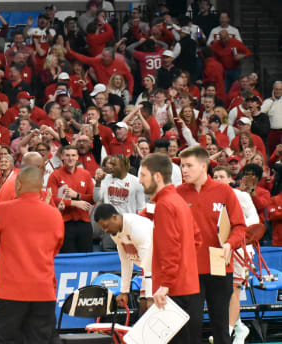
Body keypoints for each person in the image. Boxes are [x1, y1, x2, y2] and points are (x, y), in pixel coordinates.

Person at [0, 166, 64, 343]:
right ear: (40, 187)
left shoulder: (2, 210)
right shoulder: (55, 214)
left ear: (18, 185)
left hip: (10, 292)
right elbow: (55, 250)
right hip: (44, 292)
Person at [176, 146, 246, 344]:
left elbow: (239, 226)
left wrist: (230, 244)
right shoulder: (177, 193)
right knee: (191, 324)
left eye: (189, 166)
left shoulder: (224, 191)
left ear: (203, 166)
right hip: (190, 268)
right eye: (182, 166)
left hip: (219, 265)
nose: (184, 170)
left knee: (221, 325)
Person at [139, 153, 202, 344]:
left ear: (157, 176)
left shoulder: (165, 205)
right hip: (187, 285)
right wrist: (185, 265)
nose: (140, 180)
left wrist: (165, 284)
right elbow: (197, 239)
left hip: (173, 289)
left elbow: (170, 248)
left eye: (143, 175)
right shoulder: (179, 201)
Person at [213, 166, 258, 344]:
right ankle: (239, 328)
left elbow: (254, 220)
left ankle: (228, 331)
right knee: (221, 292)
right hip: (217, 249)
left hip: (239, 247)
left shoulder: (241, 196)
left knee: (234, 289)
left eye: (221, 176)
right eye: (215, 176)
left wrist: (231, 227)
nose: (218, 178)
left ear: (230, 179)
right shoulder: (211, 199)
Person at [94, 203, 154, 314]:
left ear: (114, 217)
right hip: (149, 269)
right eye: (103, 228)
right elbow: (125, 262)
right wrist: (124, 291)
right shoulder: (115, 234)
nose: (105, 230)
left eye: (106, 226)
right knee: (143, 307)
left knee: (153, 308)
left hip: (162, 267)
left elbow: (149, 261)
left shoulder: (136, 227)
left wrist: (150, 296)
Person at [46, 145, 94, 252]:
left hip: (84, 222)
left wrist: (77, 195)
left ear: (78, 157)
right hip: (64, 222)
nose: (70, 158)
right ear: (62, 156)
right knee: (68, 258)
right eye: (67, 155)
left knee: (86, 258)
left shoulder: (85, 174)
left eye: (73, 155)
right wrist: (73, 203)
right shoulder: (55, 175)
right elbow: (51, 198)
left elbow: (92, 198)